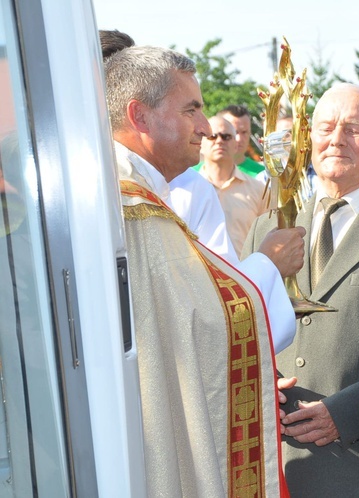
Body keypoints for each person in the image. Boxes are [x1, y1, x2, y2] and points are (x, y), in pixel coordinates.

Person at [104, 45, 291, 497]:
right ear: (139, 115)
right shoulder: (134, 207)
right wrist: (268, 264)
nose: (207, 129)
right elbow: (207, 321)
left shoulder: (125, 189)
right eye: (192, 110)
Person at [242, 83, 359, 498]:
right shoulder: (268, 229)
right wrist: (257, 386)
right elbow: (241, 327)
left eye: (353, 129)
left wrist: (350, 412)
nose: (336, 140)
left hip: (358, 467)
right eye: (326, 128)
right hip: (268, 466)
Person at [199, 115, 267, 256]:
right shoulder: (186, 188)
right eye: (212, 136)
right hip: (199, 274)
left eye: (226, 137)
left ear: (236, 145)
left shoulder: (259, 190)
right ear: (201, 144)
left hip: (245, 274)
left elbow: (268, 236)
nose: (219, 141)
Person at [217, 104, 265, 177]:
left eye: (244, 132)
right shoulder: (198, 173)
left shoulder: (263, 175)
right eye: (234, 132)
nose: (239, 139)